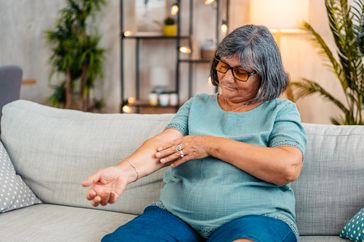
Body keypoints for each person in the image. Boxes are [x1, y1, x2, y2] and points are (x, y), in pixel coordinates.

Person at [82, 25, 307, 242]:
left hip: (256, 219)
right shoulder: (197, 105)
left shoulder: (280, 110)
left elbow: (287, 166)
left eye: (240, 72)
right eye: (223, 66)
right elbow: (164, 144)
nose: (227, 78)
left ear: (265, 75)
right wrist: (124, 172)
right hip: (177, 217)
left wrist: (209, 145)